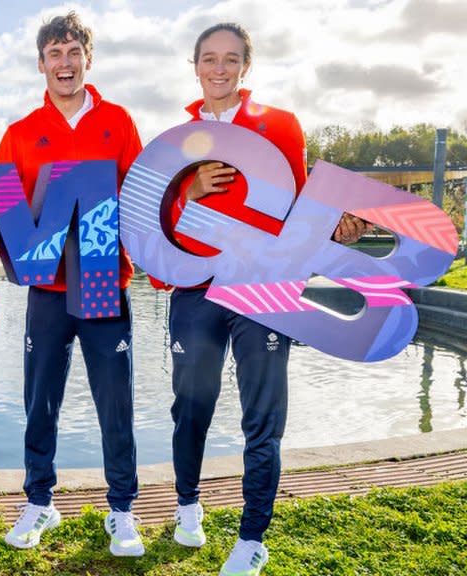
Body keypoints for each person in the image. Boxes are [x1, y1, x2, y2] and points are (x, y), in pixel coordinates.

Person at [158, 22, 368, 576]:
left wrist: (333, 228)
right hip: (196, 289)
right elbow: (158, 228)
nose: (219, 68)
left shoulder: (281, 124)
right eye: (209, 59)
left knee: (263, 414)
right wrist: (188, 189)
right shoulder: (175, 140)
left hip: (264, 289)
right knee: (192, 404)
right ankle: (187, 506)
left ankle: (253, 536)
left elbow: (298, 209)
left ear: (245, 65)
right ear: (195, 65)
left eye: (231, 59)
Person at [0, 12, 145, 557]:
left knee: (115, 402)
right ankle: (39, 500)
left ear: (88, 58)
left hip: (104, 280)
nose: (64, 62)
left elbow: (144, 200)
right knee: (40, 400)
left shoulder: (121, 122)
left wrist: (162, 261)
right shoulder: (20, 133)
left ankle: (123, 508)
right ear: (41, 64)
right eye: (54, 53)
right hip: (48, 291)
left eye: (73, 50)